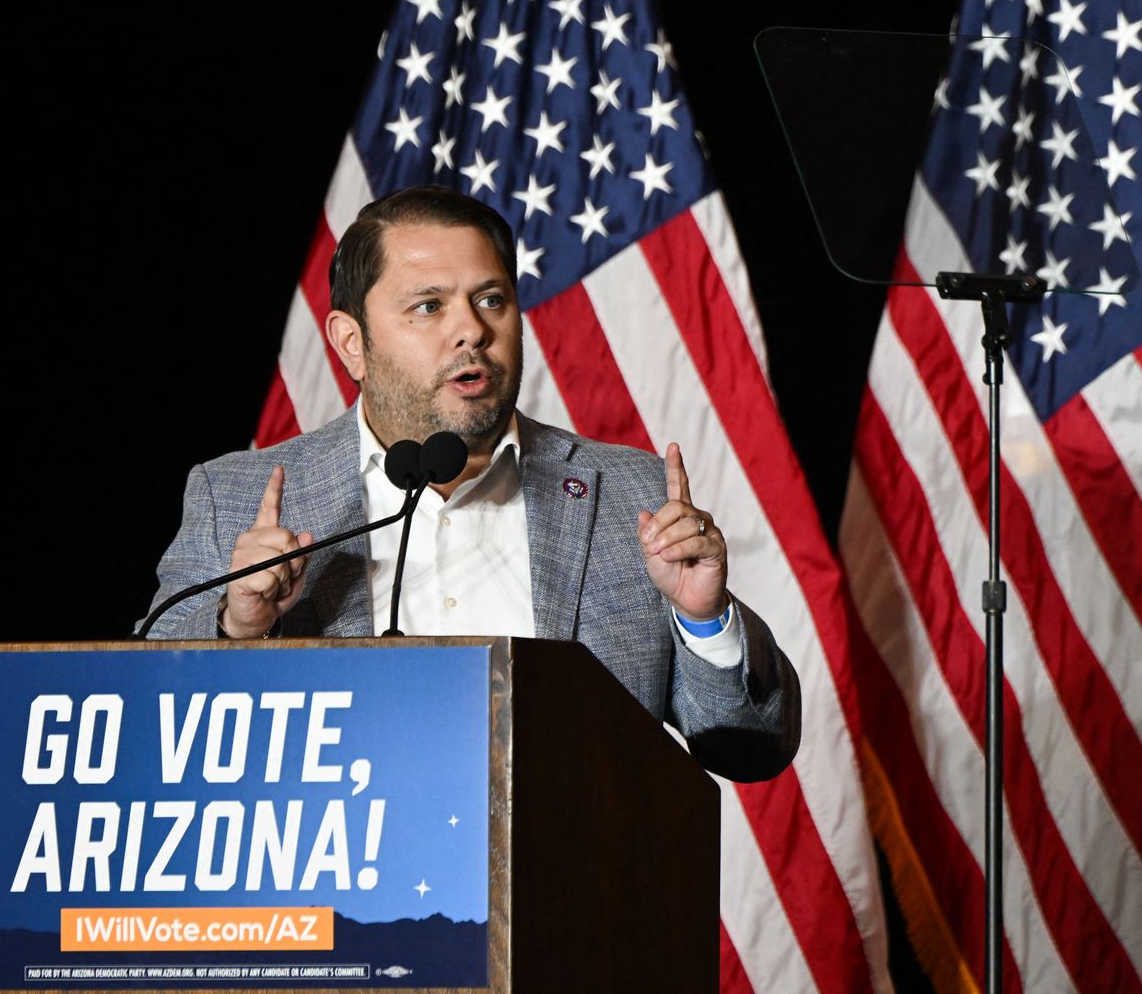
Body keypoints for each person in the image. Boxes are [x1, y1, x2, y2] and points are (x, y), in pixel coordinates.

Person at [141, 185, 799, 782]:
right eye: (428, 306)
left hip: (575, 900)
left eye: (491, 300)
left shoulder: (630, 496)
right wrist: (238, 627)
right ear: (351, 344)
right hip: (337, 910)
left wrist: (705, 618)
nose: (473, 331)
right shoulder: (232, 497)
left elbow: (751, 748)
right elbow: (137, 735)